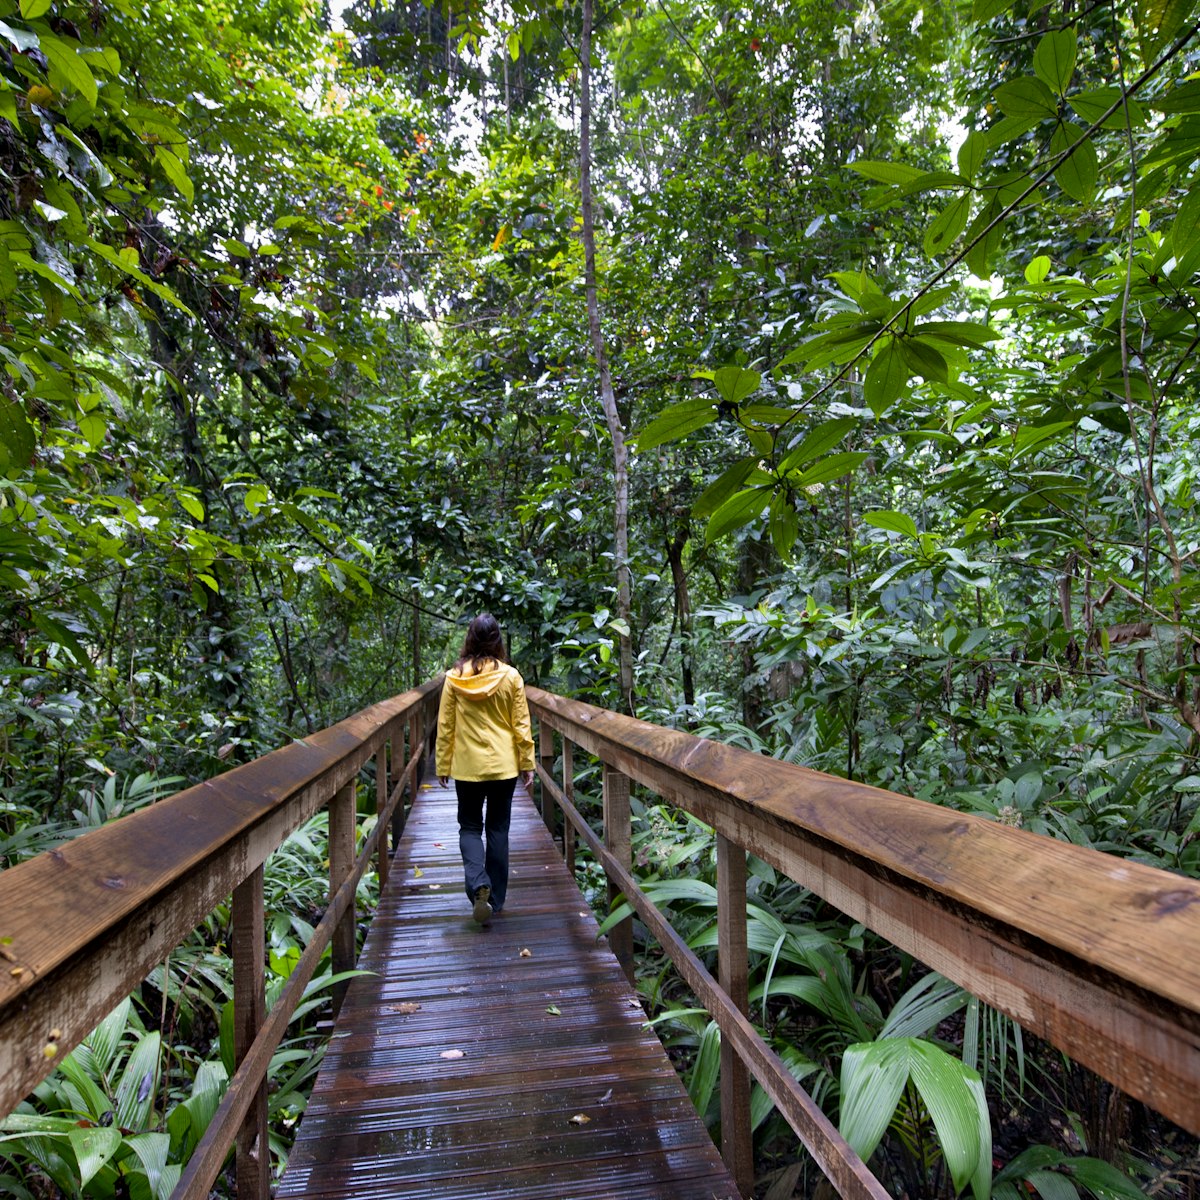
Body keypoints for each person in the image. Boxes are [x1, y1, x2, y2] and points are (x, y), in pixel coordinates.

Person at [436, 613, 534, 925]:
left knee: (469, 827)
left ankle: (478, 882)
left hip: (467, 768)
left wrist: (442, 763)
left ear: (470, 640)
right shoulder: (511, 677)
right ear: (497, 641)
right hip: (503, 767)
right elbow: (521, 725)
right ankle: (496, 900)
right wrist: (526, 762)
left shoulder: (454, 678)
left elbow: (446, 726)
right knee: (497, 829)